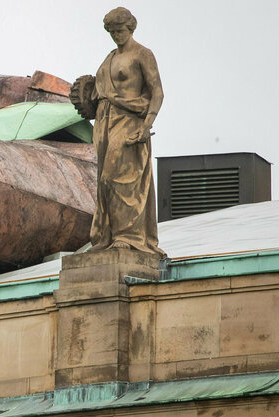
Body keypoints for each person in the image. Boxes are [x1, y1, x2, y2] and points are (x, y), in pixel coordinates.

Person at [88, 7, 166, 256]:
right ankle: (106, 237)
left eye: (119, 31)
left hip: (130, 120)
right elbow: (96, 91)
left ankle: (129, 236)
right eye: (111, 32)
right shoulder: (109, 57)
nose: (115, 36)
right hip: (104, 121)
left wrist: (147, 125)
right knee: (104, 180)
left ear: (130, 28)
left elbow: (157, 92)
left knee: (120, 176)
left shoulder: (143, 54)